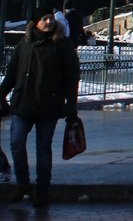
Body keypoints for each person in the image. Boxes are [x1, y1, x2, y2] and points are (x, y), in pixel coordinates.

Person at [0, 11, 80, 207]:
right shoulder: (25, 43)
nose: (49, 21)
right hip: (23, 103)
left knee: (43, 148)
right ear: (35, 22)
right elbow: (12, 73)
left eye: (51, 17)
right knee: (16, 143)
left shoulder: (62, 44)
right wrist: (2, 93)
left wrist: (71, 105)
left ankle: (42, 190)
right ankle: (23, 184)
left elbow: (71, 77)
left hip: (48, 105)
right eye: (44, 18)